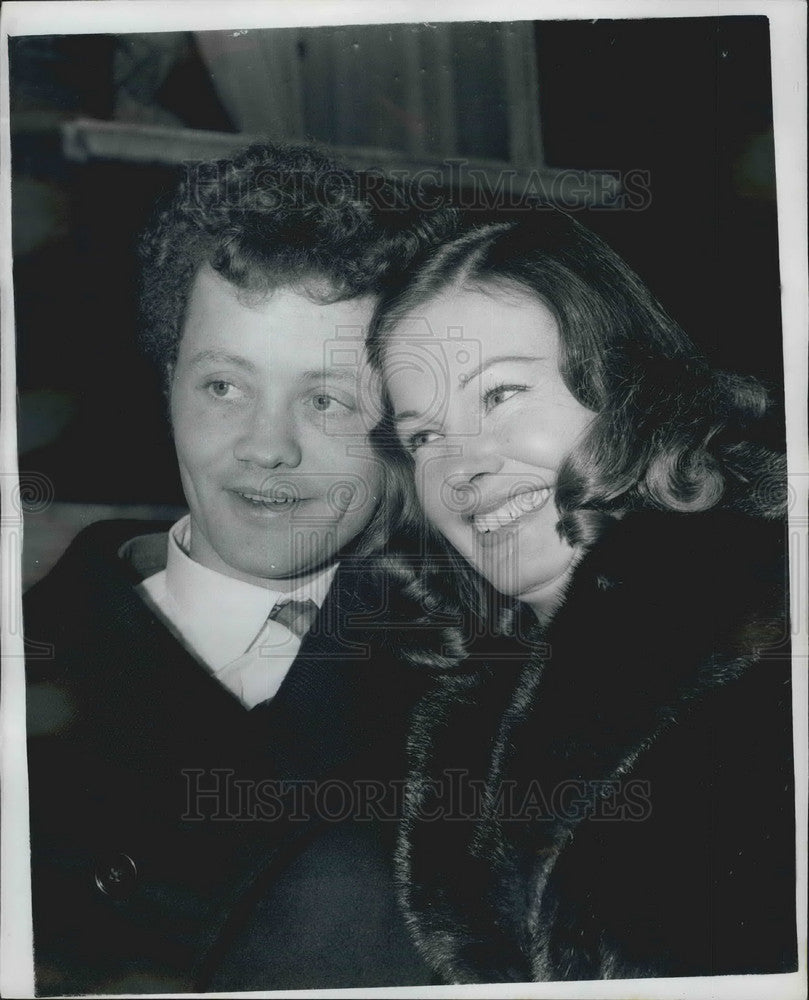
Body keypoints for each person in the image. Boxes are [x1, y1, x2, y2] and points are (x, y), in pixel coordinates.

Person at [24, 142, 449, 994]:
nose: (266, 447)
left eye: (326, 400)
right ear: (168, 385)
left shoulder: (481, 678)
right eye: (223, 386)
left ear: (403, 427)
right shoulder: (36, 668)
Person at [368, 209, 797, 982]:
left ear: (626, 385)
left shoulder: (774, 649)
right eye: (424, 436)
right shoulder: (450, 722)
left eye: (498, 395)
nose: (460, 466)